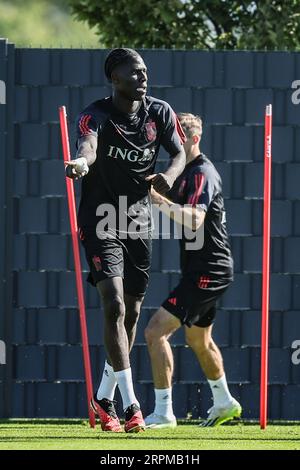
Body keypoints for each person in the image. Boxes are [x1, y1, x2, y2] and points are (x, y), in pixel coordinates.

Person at [65, 48, 186, 433]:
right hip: (101, 218)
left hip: (136, 218)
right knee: (114, 304)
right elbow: (88, 146)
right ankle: (132, 406)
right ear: (114, 78)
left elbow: (180, 152)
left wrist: (169, 173)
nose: (142, 77)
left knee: (131, 313)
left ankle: (103, 398)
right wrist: (82, 163)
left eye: (145, 72)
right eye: (133, 73)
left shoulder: (160, 112)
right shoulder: (95, 113)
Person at [144, 113, 242, 428]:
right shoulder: (184, 173)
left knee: (155, 332)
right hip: (206, 269)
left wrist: (158, 201)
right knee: (198, 340)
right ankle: (225, 402)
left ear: (193, 139)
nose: (173, 145)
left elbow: (195, 220)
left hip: (209, 270)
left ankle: (163, 413)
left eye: (178, 139)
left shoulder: (202, 173)